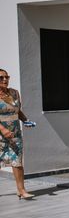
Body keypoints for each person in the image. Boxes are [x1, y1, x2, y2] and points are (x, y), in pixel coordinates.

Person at [0, 69, 35, 199]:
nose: (5, 80)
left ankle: (21, 190)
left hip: (14, 133)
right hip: (1, 133)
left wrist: (26, 120)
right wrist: (3, 130)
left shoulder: (14, 93)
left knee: (17, 161)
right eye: (1, 78)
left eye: (6, 77)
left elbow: (17, 111)